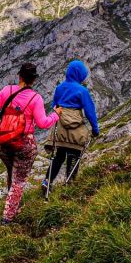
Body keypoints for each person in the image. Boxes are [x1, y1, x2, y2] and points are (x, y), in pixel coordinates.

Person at [0, 62, 60, 225]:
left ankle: (10, 204)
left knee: (11, 171)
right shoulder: (35, 98)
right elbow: (43, 123)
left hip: (3, 142)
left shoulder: (7, 91)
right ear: (33, 80)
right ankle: (8, 218)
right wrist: (56, 115)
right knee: (19, 180)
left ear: (19, 76)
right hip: (24, 143)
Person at [42, 59, 99, 193]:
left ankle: (47, 181)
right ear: (79, 74)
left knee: (59, 156)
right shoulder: (82, 91)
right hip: (75, 129)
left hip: (60, 127)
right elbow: (90, 111)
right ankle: (70, 184)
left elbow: (54, 106)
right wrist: (95, 129)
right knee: (74, 154)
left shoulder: (60, 88)